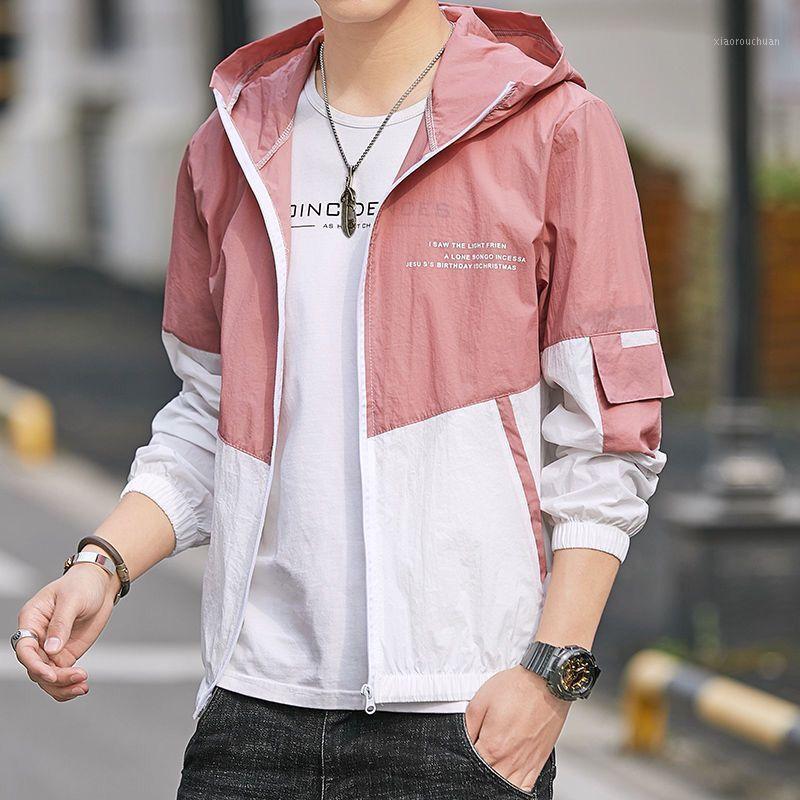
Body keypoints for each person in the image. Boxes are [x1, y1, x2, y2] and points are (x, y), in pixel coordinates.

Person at [12, 2, 674, 797]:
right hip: (250, 715)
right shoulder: (230, 142)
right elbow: (211, 418)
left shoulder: (554, 127)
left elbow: (609, 440)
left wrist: (551, 675)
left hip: (461, 714)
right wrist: (101, 564)